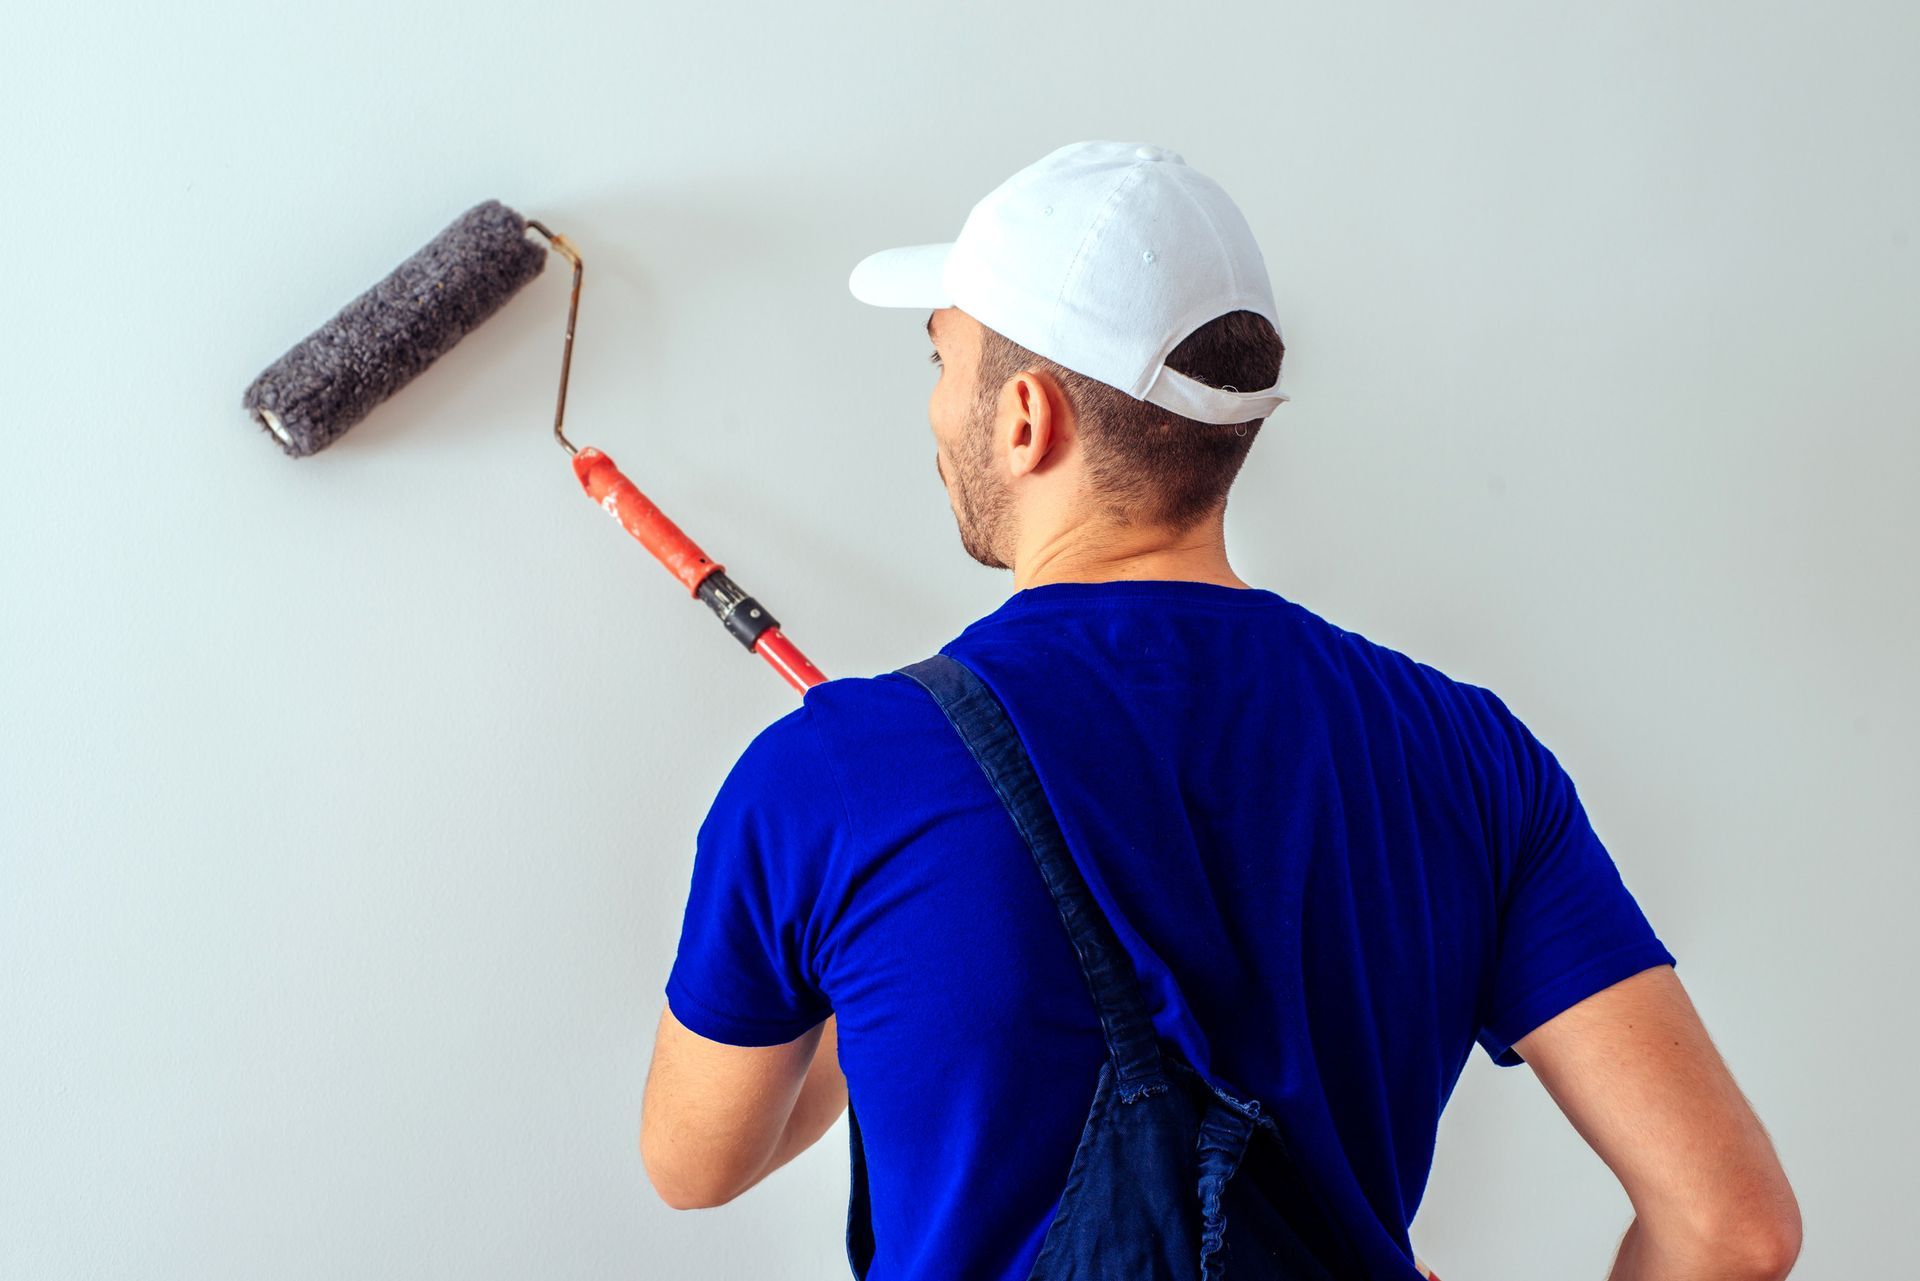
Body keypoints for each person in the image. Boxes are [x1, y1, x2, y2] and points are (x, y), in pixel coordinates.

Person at [639, 141, 1801, 1280]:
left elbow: (695, 1163)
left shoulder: (835, 779)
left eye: (942, 362)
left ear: (1026, 417)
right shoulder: (1469, 755)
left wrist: (862, 957)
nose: (938, 412)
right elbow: (1733, 1232)